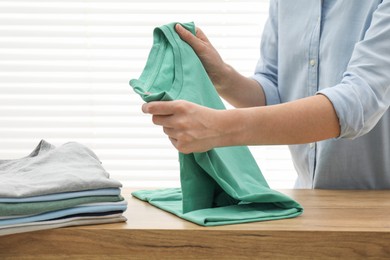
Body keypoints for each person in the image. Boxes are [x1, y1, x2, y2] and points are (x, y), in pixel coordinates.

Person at [141, 1, 390, 189]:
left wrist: (217, 128)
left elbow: (360, 100)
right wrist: (223, 77)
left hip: (378, 212)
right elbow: (274, 89)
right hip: (310, 204)